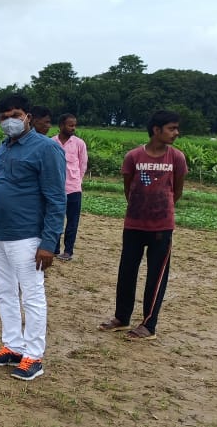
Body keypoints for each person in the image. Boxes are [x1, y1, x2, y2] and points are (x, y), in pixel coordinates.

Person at [0, 94, 66, 380]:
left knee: (32, 295)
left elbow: (56, 200)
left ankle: (33, 356)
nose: (9, 121)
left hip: (26, 236)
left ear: (27, 115)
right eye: (3, 117)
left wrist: (49, 242)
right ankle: (13, 347)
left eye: (14, 114)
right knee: (4, 292)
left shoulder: (46, 149)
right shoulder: (2, 149)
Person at [98, 110, 188, 340]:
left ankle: (149, 325)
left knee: (156, 276)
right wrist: (140, 209)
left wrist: (161, 210)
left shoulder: (176, 158)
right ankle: (122, 317)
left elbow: (176, 191)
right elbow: (129, 188)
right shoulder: (134, 157)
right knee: (127, 271)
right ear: (156, 130)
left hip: (162, 227)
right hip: (134, 224)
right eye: (171, 128)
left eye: (177, 128)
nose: (176, 133)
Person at [53, 113, 88, 261]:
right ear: (61, 125)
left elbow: (83, 164)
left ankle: (68, 251)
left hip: (73, 189)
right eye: (70, 125)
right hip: (55, 189)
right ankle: (54, 249)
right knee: (54, 219)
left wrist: (77, 182)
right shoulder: (51, 142)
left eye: (74, 125)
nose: (73, 128)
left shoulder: (79, 143)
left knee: (72, 221)